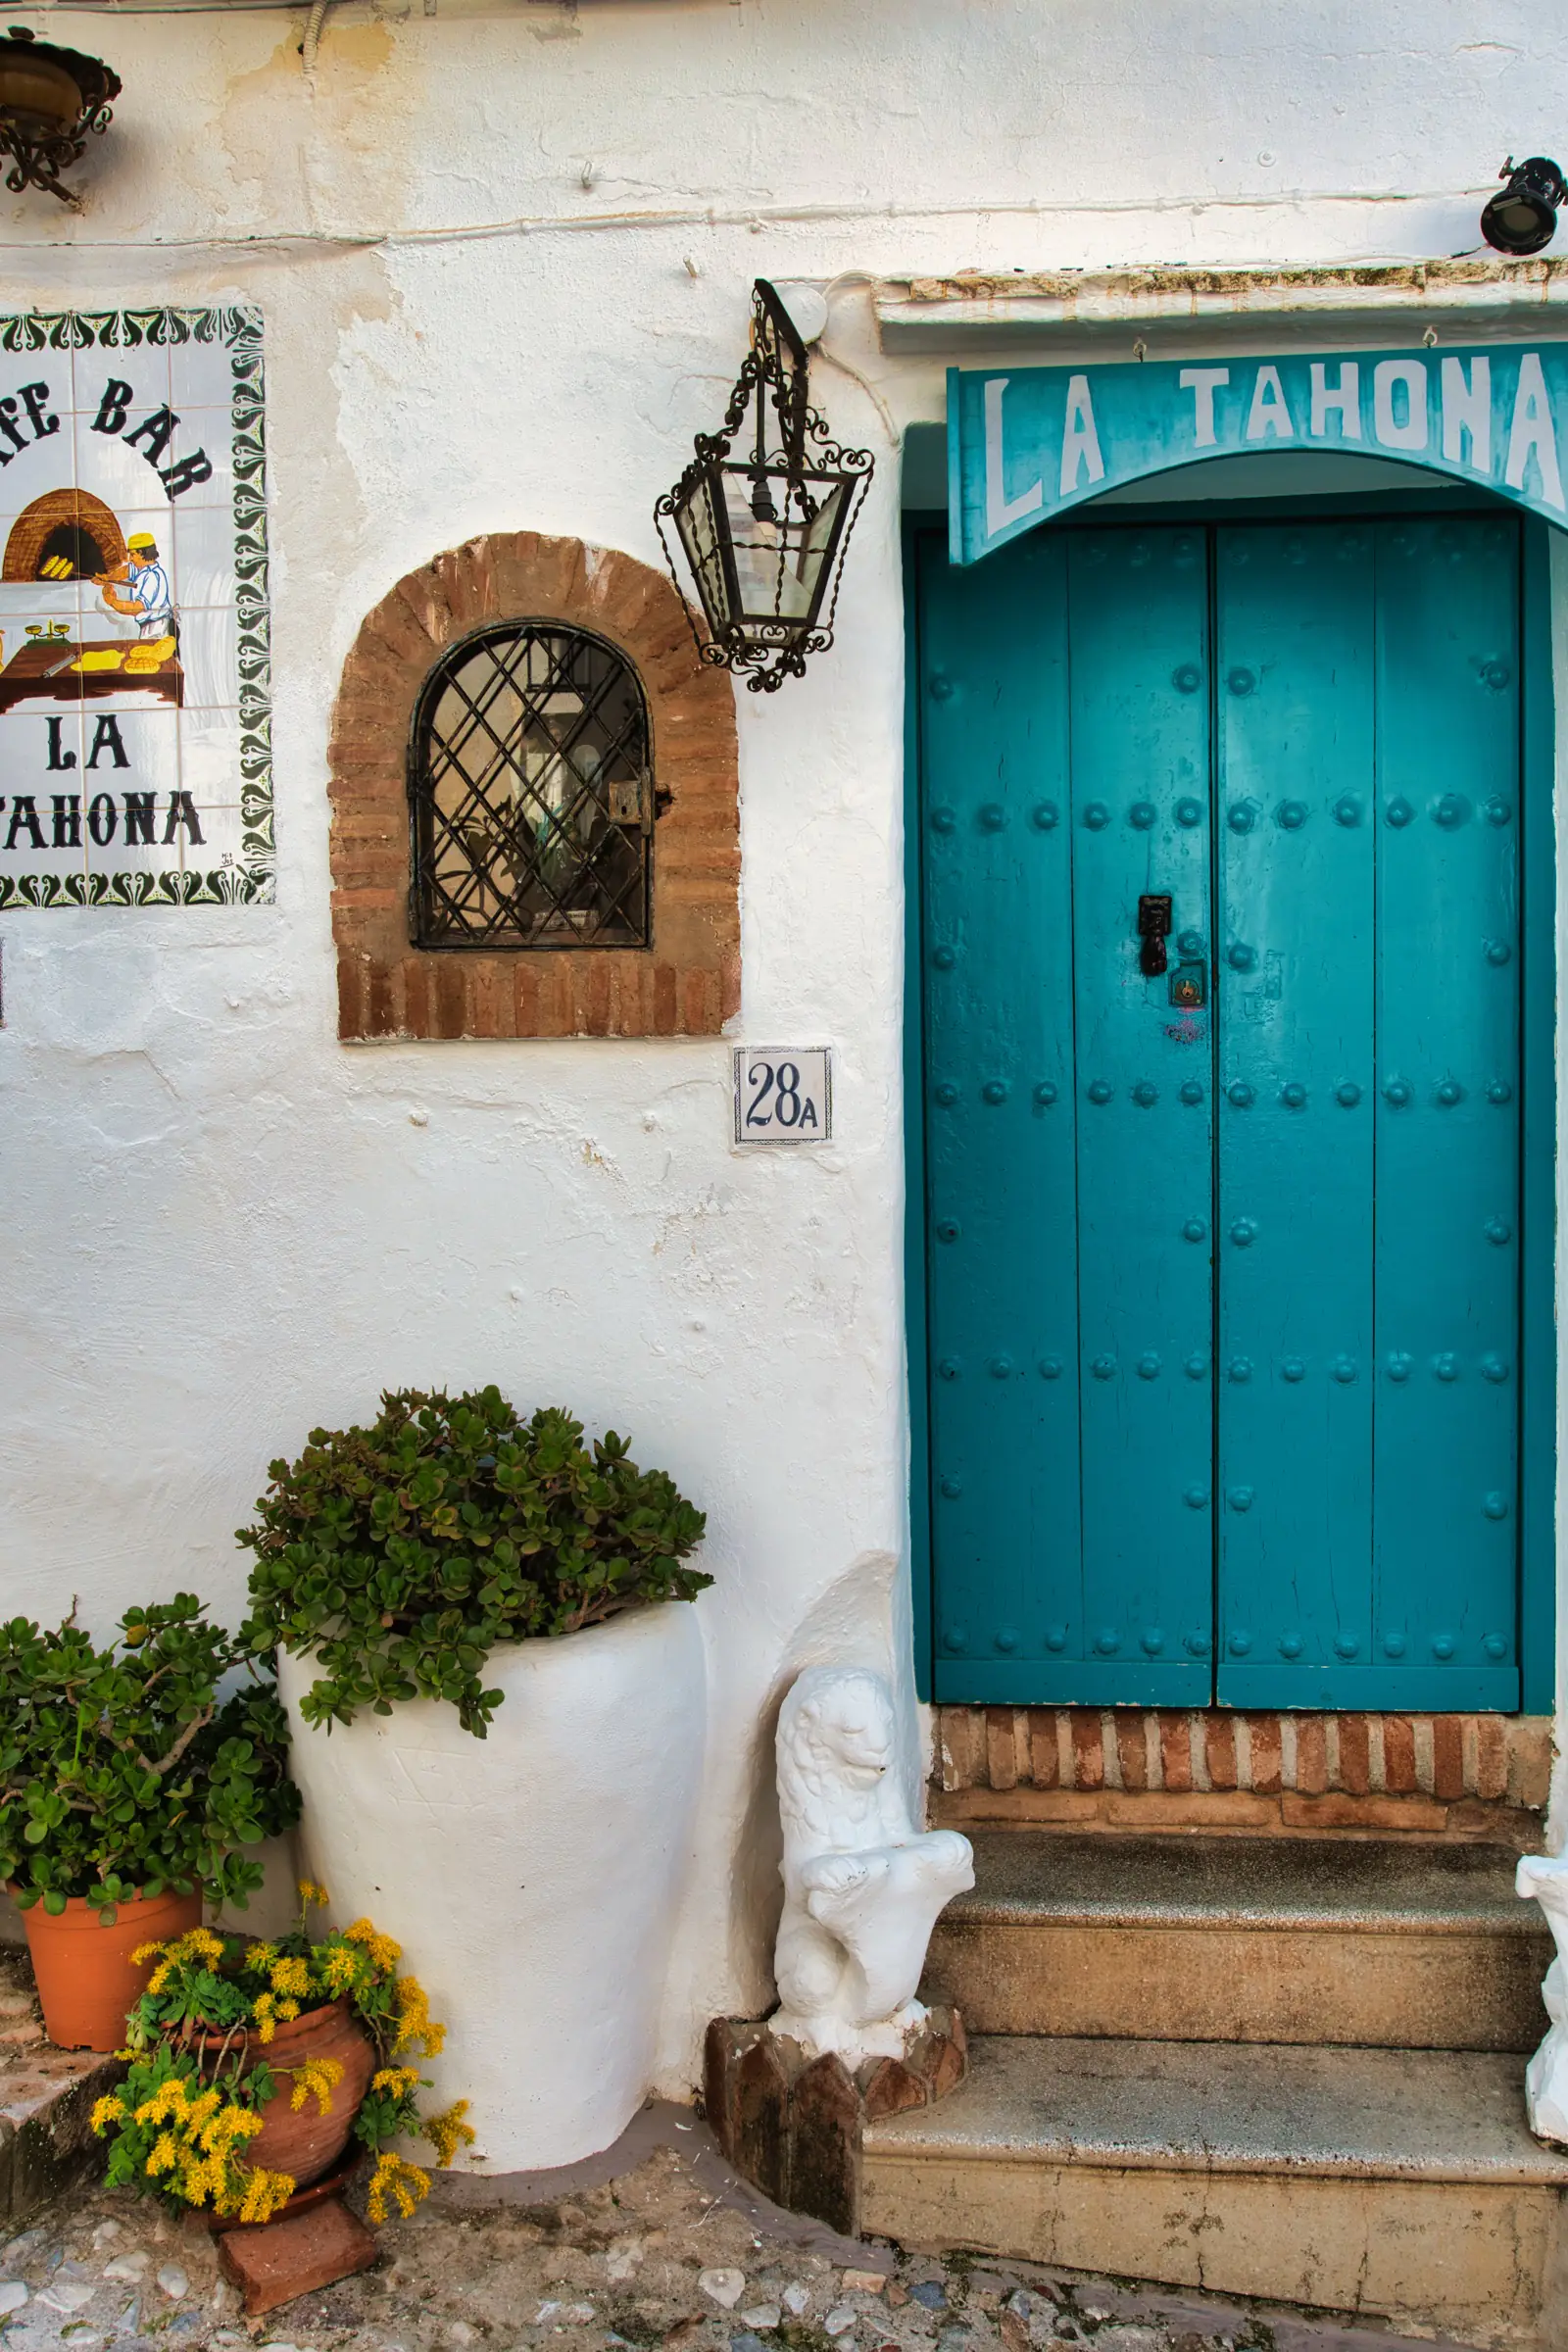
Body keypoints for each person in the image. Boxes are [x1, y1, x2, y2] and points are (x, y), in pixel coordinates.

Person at [97, 532, 175, 640]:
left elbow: (136, 608)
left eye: (132, 554)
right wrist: (107, 578)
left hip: (157, 629)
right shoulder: (143, 569)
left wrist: (112, 601)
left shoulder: (152, 576)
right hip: (150, 626)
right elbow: (126, 571)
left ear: (143, 553)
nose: (130, 559)